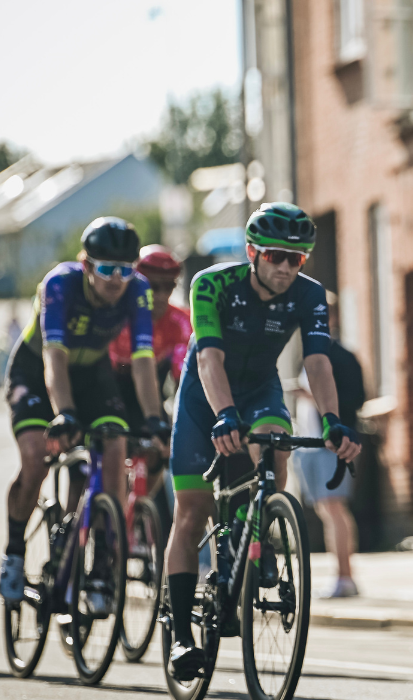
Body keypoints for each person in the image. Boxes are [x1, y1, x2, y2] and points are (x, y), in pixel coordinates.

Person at [165, 202, 362, 678]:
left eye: (297, 259)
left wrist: (333, 421)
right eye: (276, 256)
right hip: (203, 397)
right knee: (192, 512)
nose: (285, 267)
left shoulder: (310, 295)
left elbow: (317, 363)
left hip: (259, 389)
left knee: (276, 442)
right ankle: (180, 635)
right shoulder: (212, 284)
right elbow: (209, 359)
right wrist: (223, 415)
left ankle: (262, 524)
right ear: (252, 252)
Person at [0, 218, 170, 613]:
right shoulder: (59, 284)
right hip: (37, 373)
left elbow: (143, 364)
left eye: (125, 269)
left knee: (116, 447)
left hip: (93, 373)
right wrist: (66, 415)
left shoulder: (137, 292)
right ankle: (13, 553)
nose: (116, 279)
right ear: (86, 264)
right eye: (106, 268)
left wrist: (154, 417)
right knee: (34, 459)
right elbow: (53, 359)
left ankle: (100, 565)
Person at [291, 305, 365, 598]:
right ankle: (340, 575)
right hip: (308, 443)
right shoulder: (306, 355)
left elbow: (355, 398)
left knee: (335, 508)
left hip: (331, 444)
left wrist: (313, 397)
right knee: (325, 510)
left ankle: (346, 578)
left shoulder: (341, 356)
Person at [108, 245, 190, 497]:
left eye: (170, 286)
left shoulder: (180, 321)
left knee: (161, 449)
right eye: (154, 286)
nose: (162, 295)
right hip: (111, 391)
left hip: (149, 397)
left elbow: (182, 377)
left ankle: (141, 507)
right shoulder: (117, 315)